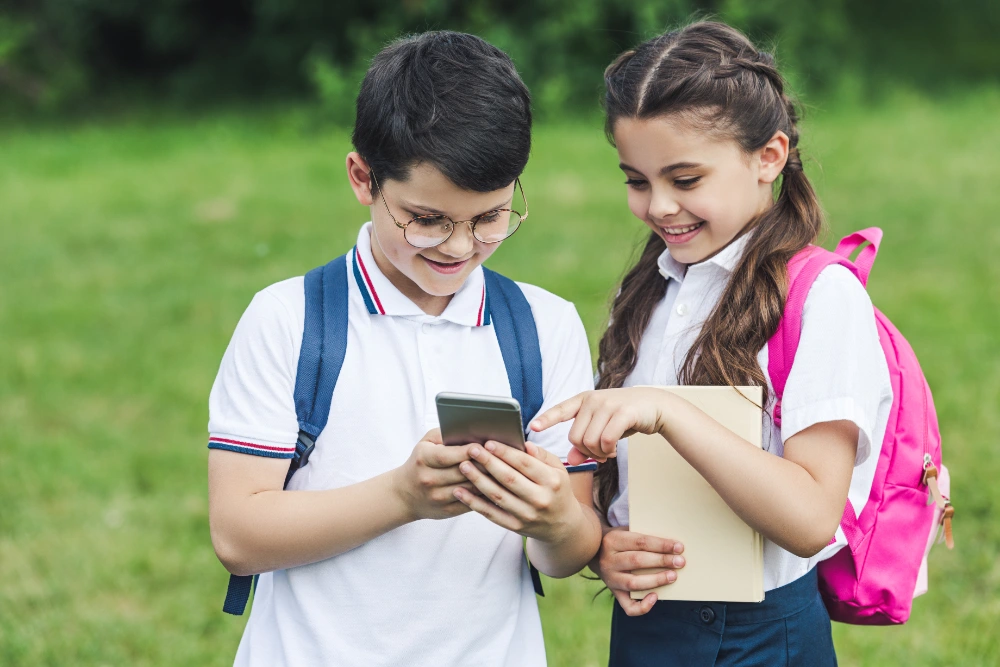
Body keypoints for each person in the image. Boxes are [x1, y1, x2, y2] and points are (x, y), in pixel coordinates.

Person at [206, 31, 601, 667]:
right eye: (427, 219)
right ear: (363, 178)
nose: (459, 247)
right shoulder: (290, 320)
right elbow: (237, 533)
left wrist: (554, 519)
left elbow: (568, 553)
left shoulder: (543, 326)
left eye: (491, 218)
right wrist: (402, 497)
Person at [530, 21, 893, 666]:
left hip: (761, 634)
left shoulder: (821, 297)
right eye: (637, 181)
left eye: (685, 179)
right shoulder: (653, 287)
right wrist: (608, 548)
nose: (660, 207)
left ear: (769, 157)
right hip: (647, 625)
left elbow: (810, 519)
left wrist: (669, 412)